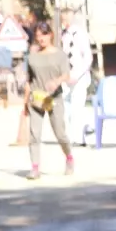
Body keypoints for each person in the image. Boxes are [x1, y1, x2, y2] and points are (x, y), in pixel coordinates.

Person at [24, 20, 73, 179]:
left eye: (43, 35)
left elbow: (66, 75)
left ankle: (69, 157)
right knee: (34, 134)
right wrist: (25, 102)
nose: (41, 38)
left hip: (54, 98)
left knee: (60, 132)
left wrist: (56, 81)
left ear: (50, 34)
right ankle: (35, 168)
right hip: (37, 98)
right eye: (38, 36)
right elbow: (28, 80)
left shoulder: (60, 55)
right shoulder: (32, 57)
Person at [59, 6, 93, 146]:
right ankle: (71, 136)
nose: (65, 21)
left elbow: (88, 57)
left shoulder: (79, 34)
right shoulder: (62, 34)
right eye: (63, 18)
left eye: (67, 18)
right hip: (65, 76)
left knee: (77, 107)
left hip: (78, 75)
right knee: (66, 108)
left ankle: (79, 138)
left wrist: (77, 74)